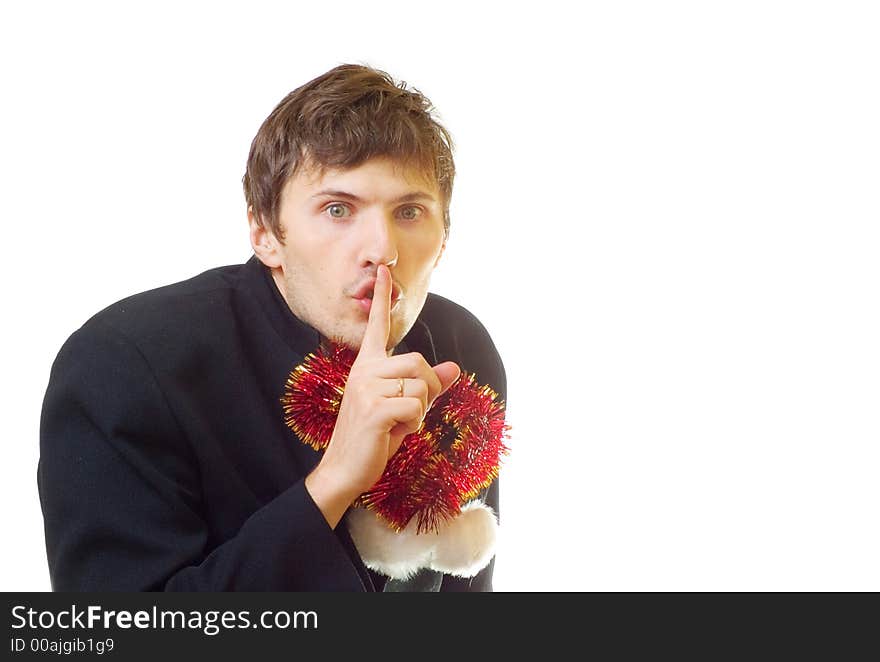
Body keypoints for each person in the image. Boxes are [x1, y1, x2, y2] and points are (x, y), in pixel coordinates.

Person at [38, 64, 506, 591]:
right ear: (265, 233)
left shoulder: (461, 347)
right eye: (337, 209)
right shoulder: (121, 365)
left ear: (444, 239)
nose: (382, 251)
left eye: (410, 212)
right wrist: (333, 482)